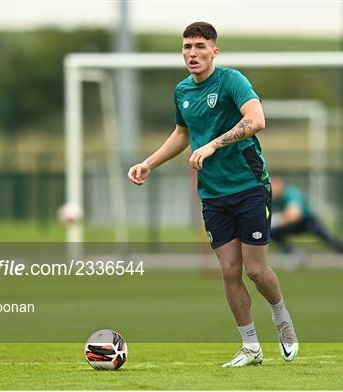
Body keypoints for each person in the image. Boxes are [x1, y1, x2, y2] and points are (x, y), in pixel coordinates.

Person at [127, 22, 298, 367]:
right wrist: (148, 163)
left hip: (249, 186)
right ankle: (251, 347)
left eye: (200, 46)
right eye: (187, 46)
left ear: (214, 52)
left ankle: (282, 319)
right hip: (213, 194)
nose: (192, 53)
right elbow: (181, 133)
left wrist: (212, 145)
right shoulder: (182, 92)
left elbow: (257, 120)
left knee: (255, 269)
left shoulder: (232, 80)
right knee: (229, 270)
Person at [270, 176, 343, 273]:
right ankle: (294, 255)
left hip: (308, 222)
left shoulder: (291, 193)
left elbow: (294, 215)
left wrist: (275, 220)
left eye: (273, 185)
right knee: (270, 233)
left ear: (280, 185)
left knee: (331, 241)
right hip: (291, 226)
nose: (272, 189)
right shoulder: (271, 197)